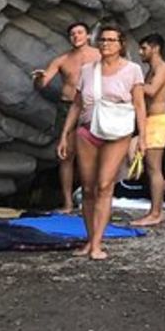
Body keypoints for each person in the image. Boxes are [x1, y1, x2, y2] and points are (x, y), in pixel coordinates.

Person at [54, 23, 146, 260]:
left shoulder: (132, 70)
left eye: (111, 40)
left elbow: (139, 105)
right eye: (103, 40)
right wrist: (65, 134)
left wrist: (143, 136)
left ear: (121, 44)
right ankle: (89, 239)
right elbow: (77, 104)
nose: (106, 44)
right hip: (87, 130)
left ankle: (96, 244)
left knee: (105, 185)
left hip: (117, 133)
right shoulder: (87, 70)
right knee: (87, 188)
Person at [34, 21, 99, 212]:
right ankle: (68, 203)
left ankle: (92, 199)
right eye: (72, 34)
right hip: (67, 106)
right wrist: (39, 79)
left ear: (87, 36)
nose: (76, 36)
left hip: (91, 106)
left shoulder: (99, 55)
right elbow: (42, 84)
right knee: (66, 155)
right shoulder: (61, 60)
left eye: (80, 32)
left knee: (93, 153)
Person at [132, 33, 165, 226]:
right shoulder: (150, 70)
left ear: (155, 48)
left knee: (153, 168)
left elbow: (150, 91)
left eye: (144, 48)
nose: (141, 52)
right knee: (143, 164)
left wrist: (131, 81)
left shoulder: (164, 68)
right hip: (149, 121)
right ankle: (154, 210)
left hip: (159, 120)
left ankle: (156, 213)